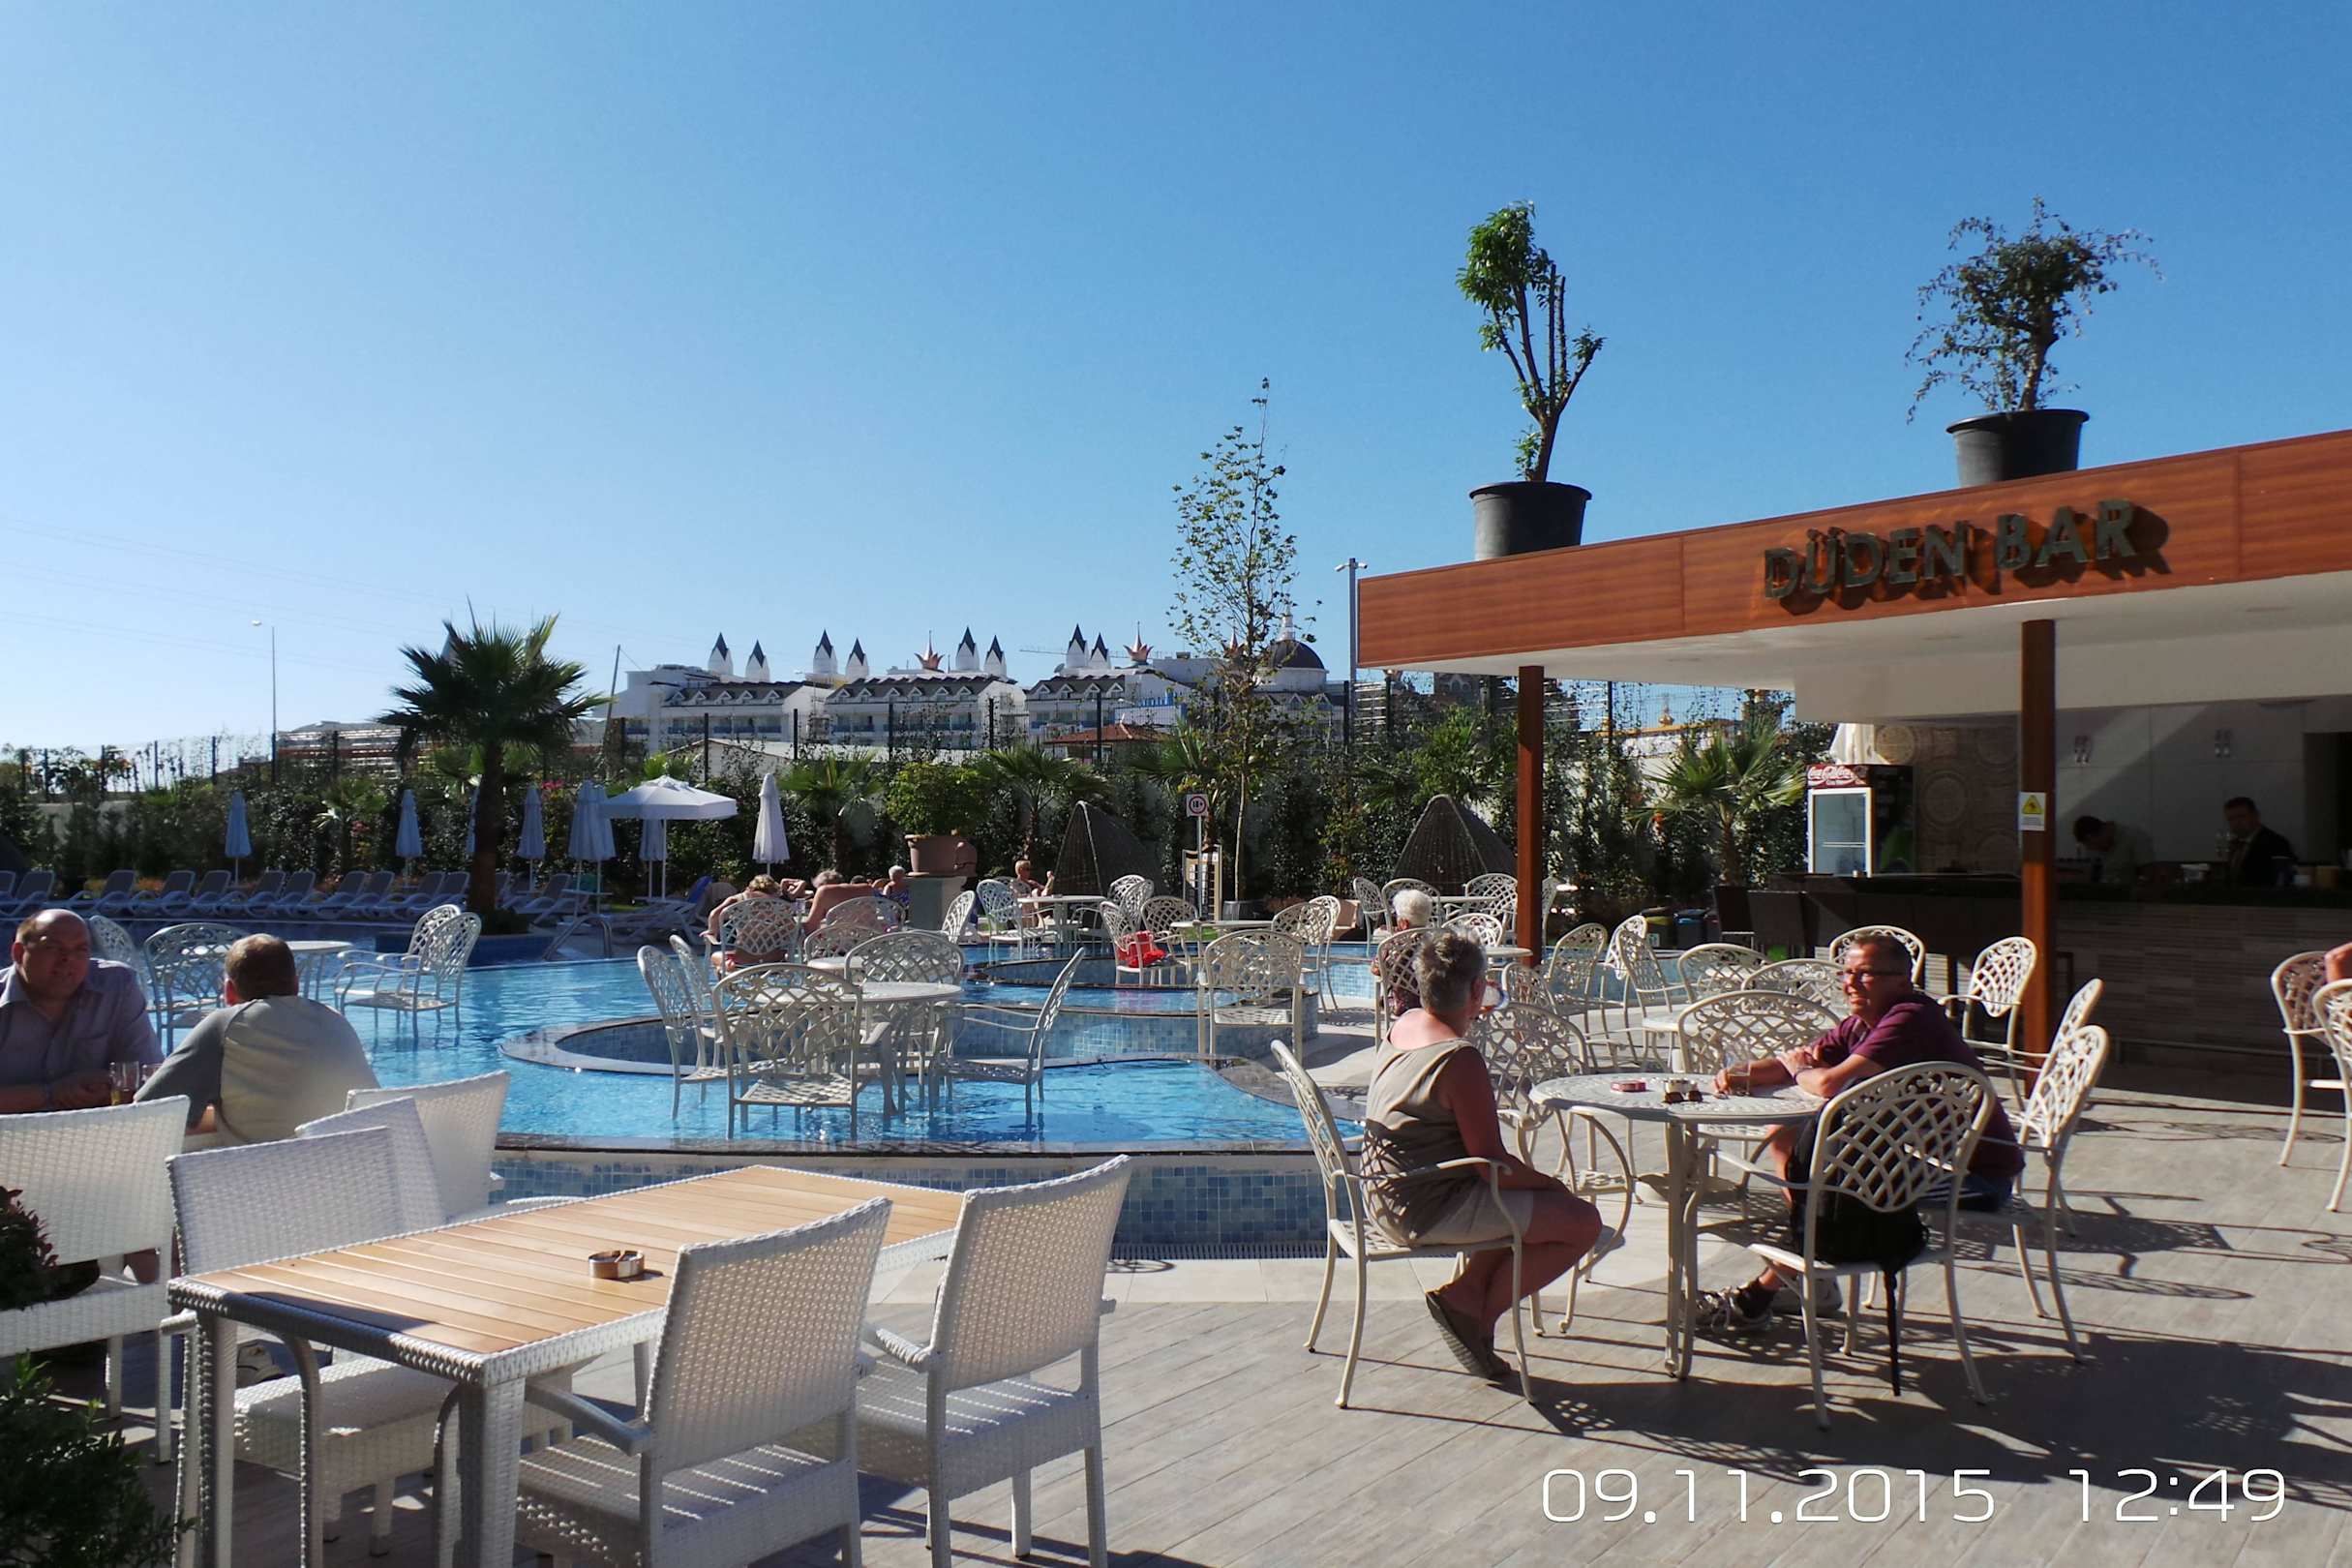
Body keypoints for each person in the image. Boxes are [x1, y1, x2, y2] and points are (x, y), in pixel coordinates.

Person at [1694, 932, 2026, 1336]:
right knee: (1790, 1140)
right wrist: (1739, 1072)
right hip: (1922, 1159)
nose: (1850, 983)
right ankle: (1807, 1276)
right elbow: (1793, 1063)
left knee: (1841, 1193)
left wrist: (1802, 1070)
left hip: (1973, 1178)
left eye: (1865, 974)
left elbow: (1827, 1082)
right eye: (1846, 973)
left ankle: (1763, 1293)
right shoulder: (1859, 1024)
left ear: (1901, 980)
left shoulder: (1911, 1017)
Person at [1361, 934, 1604, 1380]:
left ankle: (1468, 1292)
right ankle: (1473, 1315)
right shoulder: (1458, 1058)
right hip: (1425, 1207)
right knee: (1581, 1222)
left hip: (1385, 1194)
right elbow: (1491, 1165)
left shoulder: (1405, 1023)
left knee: (1532, 1212)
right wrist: (1553, 1186)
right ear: (1477, 990)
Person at [136, 934, 378, 1145]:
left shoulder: (225, 1025)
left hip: (269, 1176)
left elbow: (149, 1110)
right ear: (295, 984)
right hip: (352, 1168)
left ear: (229, 991)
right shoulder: (335, 1020)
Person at [0, 910, 160, 1114]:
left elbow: (149, 1077)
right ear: (18, 953)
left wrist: (112, 1086)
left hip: (101, 1127)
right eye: (52, 948)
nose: (67, 959)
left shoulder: (116, 987)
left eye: (81, 950)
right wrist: (51, 1094)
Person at [1373, 889, 1436, 1019]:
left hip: (1403, 1007)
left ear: (1403, 923)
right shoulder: (1435, 941)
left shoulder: (1393, 943)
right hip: (1434, 1004)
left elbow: (1376, 969)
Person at [2223, 797, 2297, 889]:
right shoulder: (2235, 845)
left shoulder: (2276, 843)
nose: (2236, 822)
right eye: (2231, 819)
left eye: (2241, 816)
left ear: (2256, 816)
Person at [2070, 815, 2149, 886]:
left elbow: (2149, 875)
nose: (2092, 849)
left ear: (2091, 837)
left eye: (2093, 845)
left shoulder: (2134, 837)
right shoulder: (2094, 848)